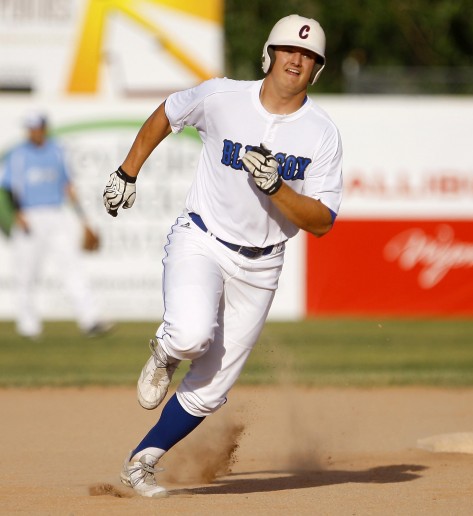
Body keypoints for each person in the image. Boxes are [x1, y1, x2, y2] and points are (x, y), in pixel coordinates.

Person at [103, 14, 343, 498]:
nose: (297, 59)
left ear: (317, 69)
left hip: (263, 263)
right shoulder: (222, 97)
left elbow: (320, 221)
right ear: (269, 54)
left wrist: (276, 187)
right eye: (288, 49)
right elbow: (168, 113)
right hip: (203, 237)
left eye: (309, 55)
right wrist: (128, 172)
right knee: (191, 335)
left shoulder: (321, 133)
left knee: (211, 389)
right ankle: (167, 350)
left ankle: (141, 463)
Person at [0, 111, 111, 340]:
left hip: (55, 213)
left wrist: (83, 219)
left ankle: (90, 319)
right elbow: (8, 187)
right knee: (27, 273)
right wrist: (17, 214)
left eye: (37, 128)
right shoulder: (18, 155)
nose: (34, 132)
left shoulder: (57, 151)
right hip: (29, 214)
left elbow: (67, 186)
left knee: (71, 265)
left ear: (44, 128)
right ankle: (28, 326)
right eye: (31, 128)